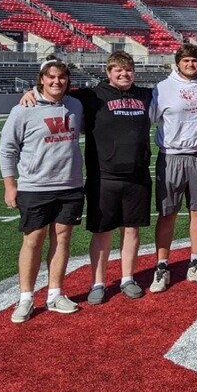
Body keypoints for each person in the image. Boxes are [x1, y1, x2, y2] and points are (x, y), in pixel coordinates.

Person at [0, 59, 84, 323]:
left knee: (62, 239)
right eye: (51, 77)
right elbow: (6, 149)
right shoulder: (23, 109)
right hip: (35, 186)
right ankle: (26, 298)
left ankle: (55, 294)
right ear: (42, 79)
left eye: (62, 78)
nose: (56, 82)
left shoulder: (75, 105)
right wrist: (10, 185)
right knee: (33, 240)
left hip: (69, 185)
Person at [75, 52, 153, 303]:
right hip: (103, 176)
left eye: (128, 69)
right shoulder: (92, 95)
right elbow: (55, 92)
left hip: (137, 175)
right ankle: (98, 282)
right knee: (102, 231)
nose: (124, 74)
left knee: (131, 230)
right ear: (108, 72)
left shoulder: (145, 94)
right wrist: (32, 91)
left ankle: (127, 278)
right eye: (118, 70)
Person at [149, 43, 197, 293]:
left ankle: (196, 263)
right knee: (167, 213)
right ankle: (162, 266)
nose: (190, 65)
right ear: (178, 63)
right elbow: (148, 118)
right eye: (185, 61)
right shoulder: (163, 88)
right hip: (171, 156)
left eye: (195, 61)